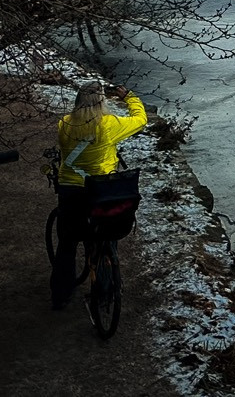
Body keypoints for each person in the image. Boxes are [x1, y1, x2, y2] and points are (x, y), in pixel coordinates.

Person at [52, 82, 147, 309]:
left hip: (71, 190)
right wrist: (129, 97)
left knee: (67, 242)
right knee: (106, 235)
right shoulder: (109, 125)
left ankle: (60, 295)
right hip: (100, 190)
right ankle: (106, 291)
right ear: (102, 102)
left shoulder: (64, 124)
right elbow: (141, 119)